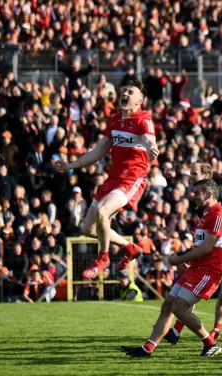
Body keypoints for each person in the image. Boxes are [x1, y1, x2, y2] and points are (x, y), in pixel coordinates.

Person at [54, 80, 159, 279]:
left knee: (103, 211)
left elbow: (148, 138)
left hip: (132, 178)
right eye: (125, 90)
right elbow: (98, 152)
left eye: (131, 92)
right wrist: (71, 165)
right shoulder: (115, 120)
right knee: (87, 228)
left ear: (139, 101)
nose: (125, 93)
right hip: (113, 178)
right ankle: (129, 247)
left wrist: (151, 147)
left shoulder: (143, 119)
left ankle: (103, 258)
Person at [122, 179, 222, 357]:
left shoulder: (219, 215)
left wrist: (180, 258)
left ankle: (210, 343)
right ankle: (147, 348)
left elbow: (207, 248)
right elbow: (202, 247)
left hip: (207, 272)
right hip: (196, 269)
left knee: (179, 308)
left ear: (208, 194)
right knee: (168, 305)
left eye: (197, 193)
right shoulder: (206, 214)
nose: (193, 196)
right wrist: (187, 261)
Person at [164, 162, 222, 347]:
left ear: (206, 174)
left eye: (194, 173)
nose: (190, 176)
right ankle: (178, 330)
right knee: (190, 291)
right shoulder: (200, 195)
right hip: (211, 249)